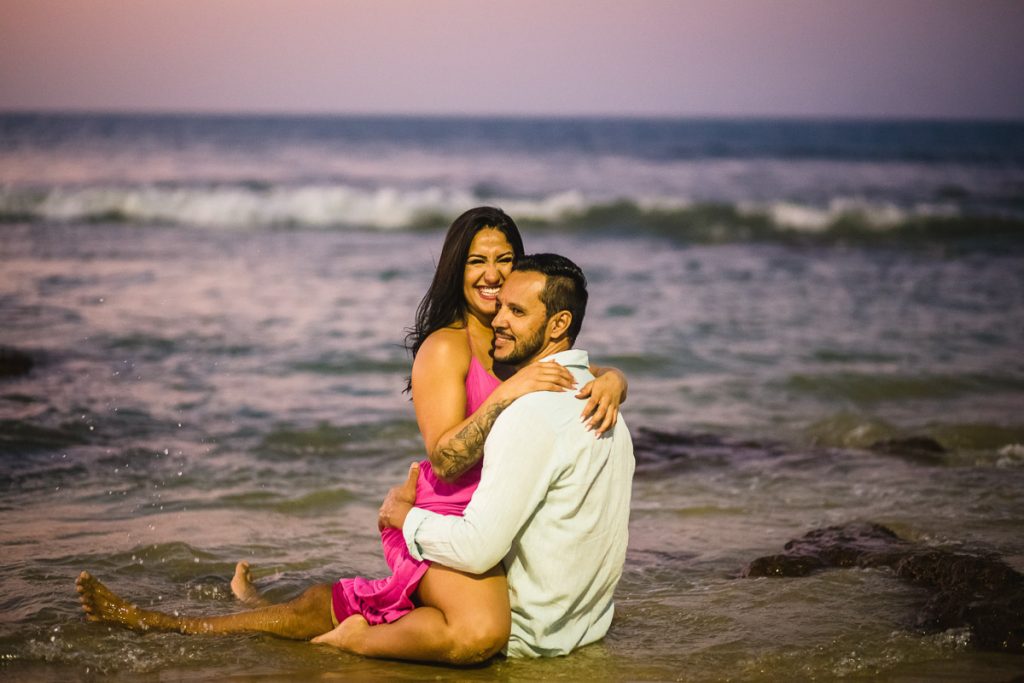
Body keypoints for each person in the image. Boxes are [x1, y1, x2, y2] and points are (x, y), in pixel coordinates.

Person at [76, 208, 627, 664]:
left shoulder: (515, 342)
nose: (490, 274)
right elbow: (447, 457)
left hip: (495, 520)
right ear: (456, 269)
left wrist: (614, 382)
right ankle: (164, 623)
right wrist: (509, 395)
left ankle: (255, 601)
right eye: (476, 260)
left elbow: (572, 368)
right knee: (472, 628)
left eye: (504, 261)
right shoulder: (447, 347)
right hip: (446, 518)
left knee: (409, 614)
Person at [330, 253, 635, 658]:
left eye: (516, 310)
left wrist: (402, 518)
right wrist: (616, 377)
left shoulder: (529, 415)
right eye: (501, 306)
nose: (497, 319)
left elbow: (477, 549)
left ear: (559, 324)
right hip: (586, 632)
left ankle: (351, 638)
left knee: (377, 603)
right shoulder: (612, 415)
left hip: (527, 641)